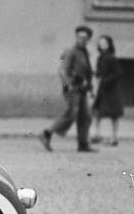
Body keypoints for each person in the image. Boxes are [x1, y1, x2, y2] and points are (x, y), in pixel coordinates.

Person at [40, 25, 98, 153]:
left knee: (85, 116)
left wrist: (90, 88)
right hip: (73, 89)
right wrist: (69, 85)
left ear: (88, 39)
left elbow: (86, 72)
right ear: (76, 37)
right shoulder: (71, 51)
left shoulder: (84, 52)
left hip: (82, 89)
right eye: (79, 37)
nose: (82, 40)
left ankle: (83, 144)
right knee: (71, 114)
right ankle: (47, 133)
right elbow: (63, 70)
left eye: (85, 38)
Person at [91, 34, 124, 146]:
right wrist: (95, 74)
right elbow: (100, 72)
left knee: (114, 114)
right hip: (102, 89)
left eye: (105, 43)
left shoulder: (111, 57)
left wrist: (106, 80)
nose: (102, 45)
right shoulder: (100, 58)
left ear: (109, 44)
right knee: (97, 112)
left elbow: (118, 73)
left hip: (111, 90)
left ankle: (115, 137)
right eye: (100, 43)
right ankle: (96, 134)